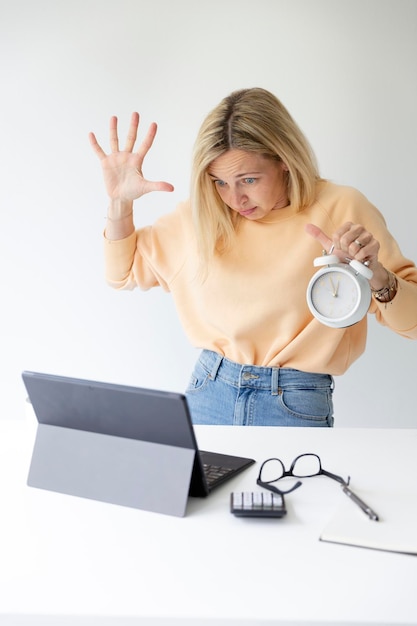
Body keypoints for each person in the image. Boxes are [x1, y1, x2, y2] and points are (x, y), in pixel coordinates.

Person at [89, 87, 417, 427]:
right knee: (196, 483)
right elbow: (122, 273)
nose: (235, 198)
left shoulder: (342, 208)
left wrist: (376, 275)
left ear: (285, 161)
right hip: (209, 390)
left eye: (248, 179)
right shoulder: (201, 216)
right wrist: (119, 204)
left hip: (295, 399)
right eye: (219, 182)